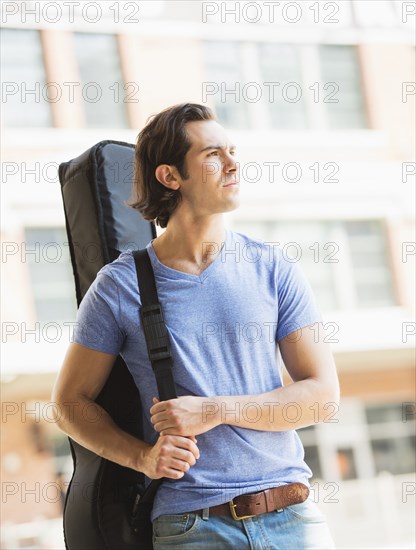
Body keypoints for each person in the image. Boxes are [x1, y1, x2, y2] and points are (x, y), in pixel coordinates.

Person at [52, 103, 339, 549]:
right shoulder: (119, 285)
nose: (232, 164)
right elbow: (70, 403)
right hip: (192, 527)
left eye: (232, 150)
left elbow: (321, 397)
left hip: (292, 518)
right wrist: (143, 458)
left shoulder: (272, 268)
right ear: (170, 176)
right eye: (212, 155)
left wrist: (217, 410)